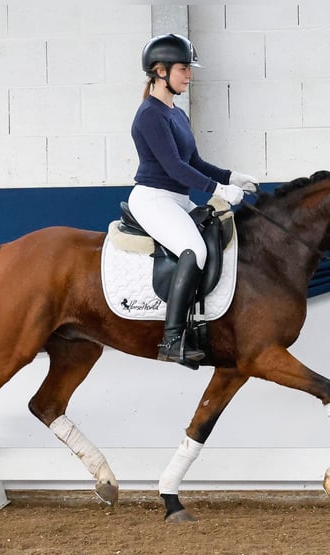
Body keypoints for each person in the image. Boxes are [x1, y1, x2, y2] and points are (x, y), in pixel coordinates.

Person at [128, 33, 259, 368]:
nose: (189, 75)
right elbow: (173, 166)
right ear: (160, 71)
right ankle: (172, 339)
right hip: (154, 199)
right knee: (195, 250)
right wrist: (217, 189)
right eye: (183, 69)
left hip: (177, 198)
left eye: (189, 69)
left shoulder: (177, 114)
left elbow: (194, 162)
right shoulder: (150, 115)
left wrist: (231, 177)